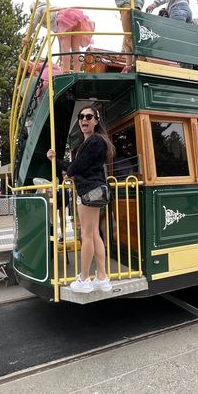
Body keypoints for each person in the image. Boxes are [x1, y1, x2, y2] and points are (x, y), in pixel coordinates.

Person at [46, 106, 116, 293]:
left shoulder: (94, 141)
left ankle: (84, 279)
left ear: (96, 120)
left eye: (89, 116)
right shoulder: (95, 141)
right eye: (81, 116)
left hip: (88, 191)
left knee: (87, 235)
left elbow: (74, 168)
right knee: (93, 234)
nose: (84, 119)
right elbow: (79, 167)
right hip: (95, 190)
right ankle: (101, 277)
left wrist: (55, 160)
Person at [77, 0, 145, 73]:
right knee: (130, 37)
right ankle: (128, 65)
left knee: (129, 39)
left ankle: (143, 62)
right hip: (138, 11)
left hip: (126, 8)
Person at [23, 2, 95, 73]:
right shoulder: (49, 9)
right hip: (74, 15)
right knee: (75, 48)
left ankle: (66, 71)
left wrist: (27, 37)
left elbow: (32, 23)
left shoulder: (38, 10)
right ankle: (77, 71)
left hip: (64, 17)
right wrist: (60, 53)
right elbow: (59, 36)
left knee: (65, 46)